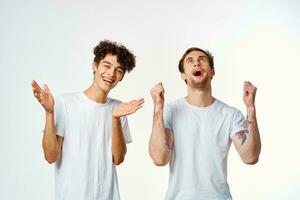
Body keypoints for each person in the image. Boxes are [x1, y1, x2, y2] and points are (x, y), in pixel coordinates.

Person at [31, 40, 144, 200]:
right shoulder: (65, 103)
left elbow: (118, 159)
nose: (111, 74)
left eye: (118, 70)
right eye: (106, 65)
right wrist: (50, 113)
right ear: (94, 65)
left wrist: (115, 118)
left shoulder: (120, 109)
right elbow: (51, 156)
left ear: (121, 77)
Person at [149, 47, 261, 199]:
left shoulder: (230, 114)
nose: (197, 63)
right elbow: (159, 158)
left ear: (212, 71)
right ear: (183, 75)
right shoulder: (170, 111)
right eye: (190, 61)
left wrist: (250, 108)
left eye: (202, 59)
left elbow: (250, 157)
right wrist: (157, 108)